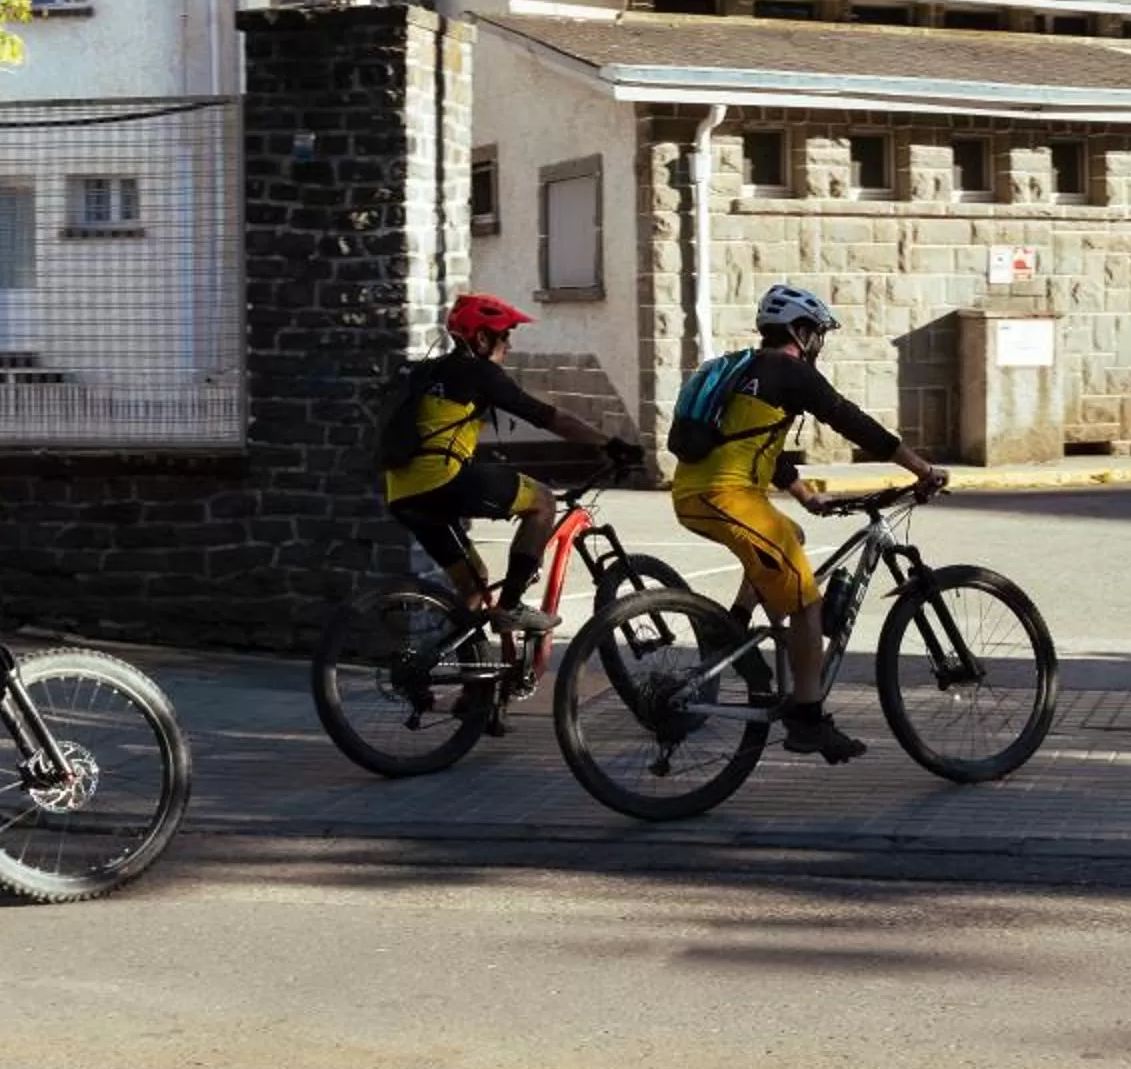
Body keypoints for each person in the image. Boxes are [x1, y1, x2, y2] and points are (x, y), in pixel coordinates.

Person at [667, 284, 947, 764]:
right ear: (799, 331)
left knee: (789, 536)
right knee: (806, 603)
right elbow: (852, 422)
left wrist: (803, 495)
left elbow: (752, 440)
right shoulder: (789, 371)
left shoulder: (744, 370)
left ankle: (730, 628)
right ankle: (807, 718)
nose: (819, 342)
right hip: (724, 498)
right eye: (816, 333)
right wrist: (921, 469)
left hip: (703, 496)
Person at [383, 294, 641, 637]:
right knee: (543, 502)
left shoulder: (428, 371)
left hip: (402, 491)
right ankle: (511, 607)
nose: (509, 343)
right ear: (482, 339)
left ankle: (468, 682)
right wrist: (609, 443)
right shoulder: (480, 371)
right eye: (504, 335)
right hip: (442, 480)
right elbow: (549, 418)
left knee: (474, 590)